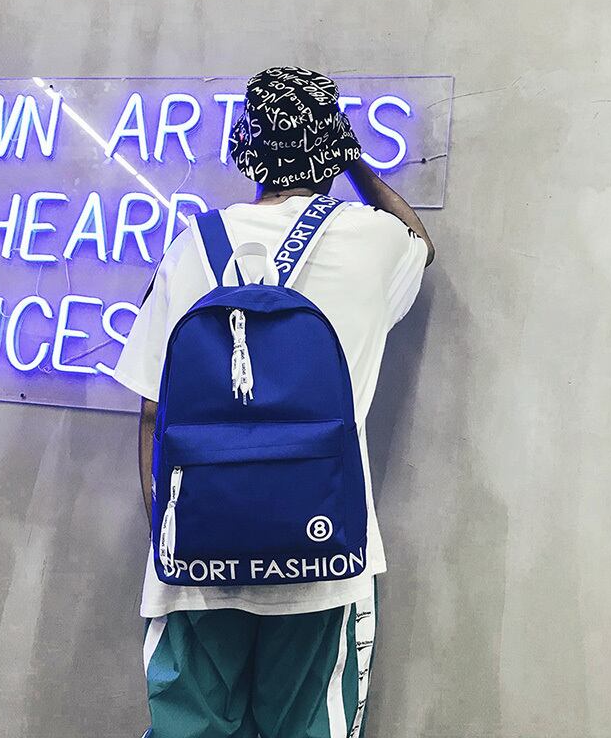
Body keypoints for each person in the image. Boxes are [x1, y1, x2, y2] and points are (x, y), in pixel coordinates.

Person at [113, 66, 435, 738]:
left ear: (246, 148)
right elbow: (421, 243)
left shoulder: (190, 245)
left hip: (195, 567)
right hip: (323, 561)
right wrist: (355, 162)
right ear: (333, 145)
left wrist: (169, 537)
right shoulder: (372, 240)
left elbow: (150, 415)